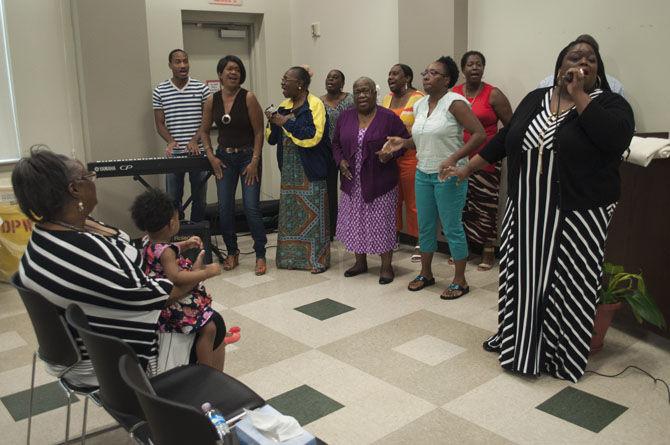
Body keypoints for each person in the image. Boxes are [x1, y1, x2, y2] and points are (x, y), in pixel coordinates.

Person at [448, 39, 634, 382]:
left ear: (598, 69)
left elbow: (614, 140)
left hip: (578, 214)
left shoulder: (610, 104)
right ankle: (518, 343)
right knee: (523, 279)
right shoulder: (536, 100)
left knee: (570, 282)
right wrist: (465, 168)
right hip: (527, 210)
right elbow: (505, 141)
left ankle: (561, 355)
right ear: (559, 65)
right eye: (574, 57)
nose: (582, 62)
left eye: (590, 59)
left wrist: (579, 96)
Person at [12, 147, 196, 385]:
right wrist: (196, 276)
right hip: (107, 361)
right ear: (75, 189)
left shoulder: (48, 233)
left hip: (78, 346)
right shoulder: (82, 250)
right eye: (89, 177)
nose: (93, 182)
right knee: (209, 324)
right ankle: (187, 411)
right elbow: (157, 296)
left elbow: (126, 253)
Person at [384, 57, 486, 299]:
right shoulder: (420, 105)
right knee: (426, 227)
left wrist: (454, 158)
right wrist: (403, 143)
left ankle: (460, 280)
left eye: (433, 73)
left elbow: (479, 135)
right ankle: (426, 273)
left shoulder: (455, 103)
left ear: (447, 79)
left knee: (452, 228)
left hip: (449, 176)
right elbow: (420, 140)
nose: (426, 76)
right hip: (423, 173)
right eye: (425, 72)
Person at [131, 189, 240, 370]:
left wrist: (186, 243)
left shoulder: (146, 242)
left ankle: (212, 349)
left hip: (159, 298)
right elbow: (177, 277)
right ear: (172, 223)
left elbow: (167, 249)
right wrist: (207, 272)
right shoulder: (165, 252)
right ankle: (207, 370)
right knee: (209, 327)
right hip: (174, 306)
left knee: (210, 320)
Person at [332, 77, 410, 284]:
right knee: (356, 222)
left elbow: (404, 142)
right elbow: (336, 144)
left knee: (382, 223)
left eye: (366, 91)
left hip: (380, 182)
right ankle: (360, 262)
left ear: (375, 94)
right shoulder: (345, 117)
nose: (362, 95)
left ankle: (386, 266)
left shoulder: (388, 117)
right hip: (352, 182)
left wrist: (390, 155)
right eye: (357, 92)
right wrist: (340, 161)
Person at [201, 55, 267, 275]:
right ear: (220, 74)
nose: (233, 73)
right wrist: (211, 156)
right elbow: (203, 131)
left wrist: (255, 161)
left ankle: (260, 254)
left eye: (237, 69)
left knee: (251, 207)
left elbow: (259, 131)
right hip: (224, 160)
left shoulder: (248, 97)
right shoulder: (212, 100)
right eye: (229, 69)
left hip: (249, 157)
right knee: (225, 208)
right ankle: (232, 252)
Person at [266, 66, 331, 273]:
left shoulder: (316, 105)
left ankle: (316, 261)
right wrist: (273, 123)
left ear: (300, 84)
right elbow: (271, 139)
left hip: (310, 170)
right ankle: (290, 260)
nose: (282, 83)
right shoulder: (284, 105)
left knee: (315, 217)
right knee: (291, 217)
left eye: (287, 80)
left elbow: (314, 137)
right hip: (289, 173)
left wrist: (286, 123)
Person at [452, 51, 513, 270]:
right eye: (470, 64)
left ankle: (488, 250)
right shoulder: (454, 93)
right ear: (463, 69)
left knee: (486, 205)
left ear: (483, 68)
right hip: (459, 158)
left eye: (479, 64)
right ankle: (463, 249)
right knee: (461, 205)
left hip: (487, 159)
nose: (475, 68)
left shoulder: (493, 94)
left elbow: (511, 128)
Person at [153, 49, 211, 221]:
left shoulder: (201, 88)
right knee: (172, 200)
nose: (183, 65)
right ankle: (177, 235)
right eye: (178, 62)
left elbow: (207, 121)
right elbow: (159, 123)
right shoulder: (160, 90)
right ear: (170, 65)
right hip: (175, 155)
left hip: (198, 153)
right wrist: (170, 141)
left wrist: (194, 140)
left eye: (185, 61)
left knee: (199, 199)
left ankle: (197, 235)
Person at [381, 64, 424, 262]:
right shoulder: (387, 99)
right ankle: (394, 236)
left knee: (415, 202)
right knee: (394, 199)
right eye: (389, 74)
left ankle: (420, 241)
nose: (391, 77)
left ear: (407, 77)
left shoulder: (418, 98)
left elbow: (422, 127)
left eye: (395, 74)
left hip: (411, 156)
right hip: (391, 157)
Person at [321, 69, 354, 240]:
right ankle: (332, 229)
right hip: (326, 152)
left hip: (347, 150)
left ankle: (350, 228)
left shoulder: (351, 99)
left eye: (335, 78)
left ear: (342, 83)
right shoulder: (319, 102)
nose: (331, 80)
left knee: (349, 189)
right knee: (329, 191)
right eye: (328, 77)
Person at [538, 34, 625, 97]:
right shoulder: (546, 84)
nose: (584, 62)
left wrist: (578, 94)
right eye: (575, 58)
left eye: (591, 59)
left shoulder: (615, 86)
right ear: (560, 67)